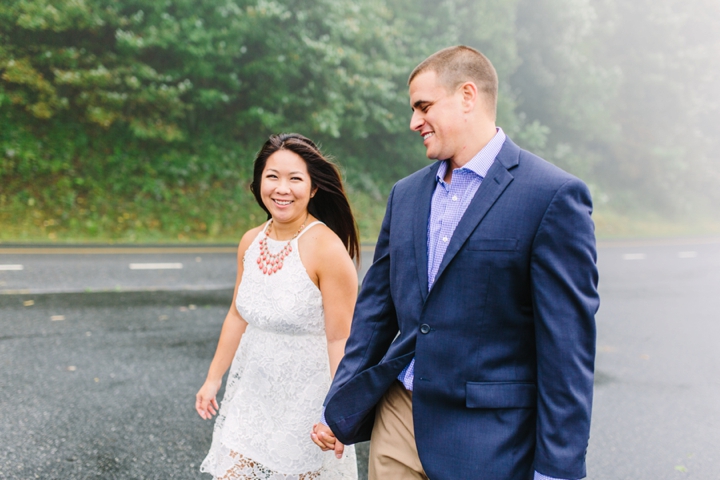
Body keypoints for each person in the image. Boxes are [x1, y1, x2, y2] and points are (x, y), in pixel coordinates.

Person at [311, 46, 599, 480]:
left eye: (423, 106)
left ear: (468, 96)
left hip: (490, 440)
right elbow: (375, 313)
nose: (413, 122)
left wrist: (558, 469)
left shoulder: (552, 196)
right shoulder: (404, 195)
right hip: (398, 422)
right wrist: (340, 404)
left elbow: (566, 349)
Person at [196, 133, 359, 479]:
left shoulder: (327, 249)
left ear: (314, 188)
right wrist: (213, 379)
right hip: (252, 397)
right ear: (258, 184)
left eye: (295, 179)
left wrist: (340, 413)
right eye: (272, 177)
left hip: (307, 402)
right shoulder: (250, 241)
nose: (281, 189)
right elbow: (237, 315)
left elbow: (340, 340)